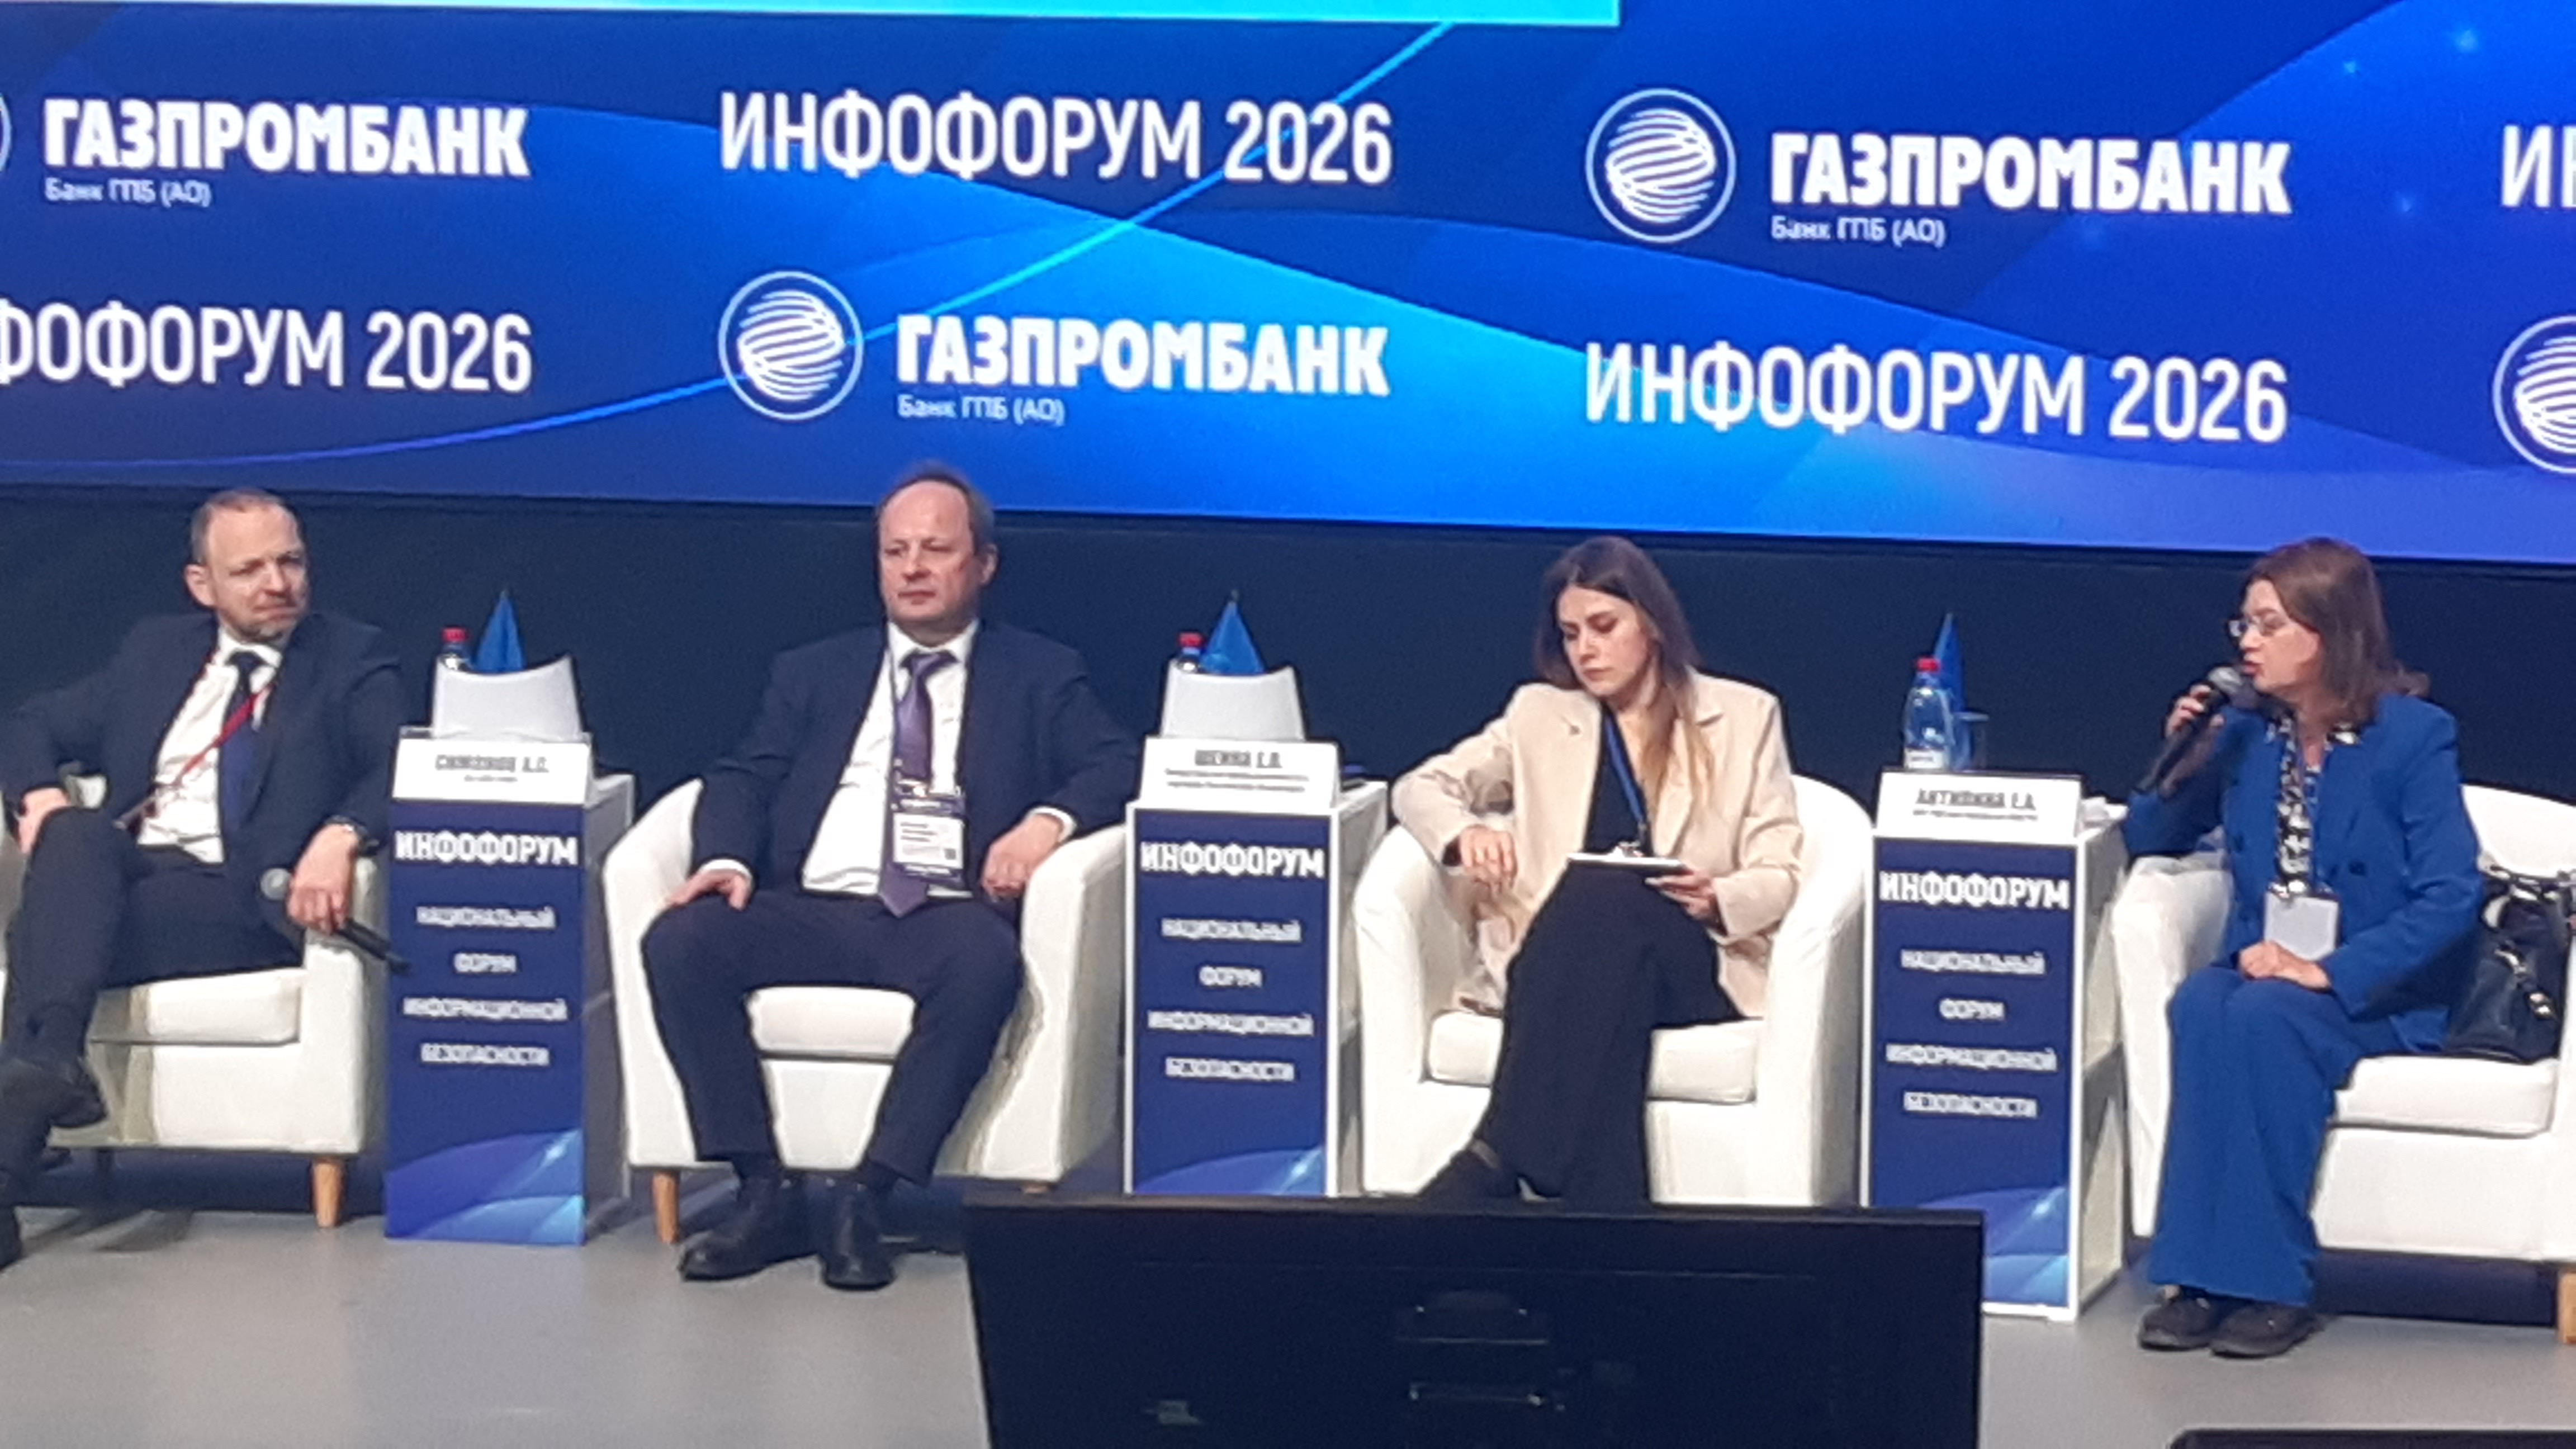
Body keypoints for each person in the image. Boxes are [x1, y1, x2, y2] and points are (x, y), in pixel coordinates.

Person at [643, 464, 1138, 1292]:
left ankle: (867, 1195)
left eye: (935, 550)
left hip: (940, 912)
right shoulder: (814, 670)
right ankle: (762, 1188)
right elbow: (742, 775)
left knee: (983, 962)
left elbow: (1115, 762)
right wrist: (726, 861)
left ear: (983, 564)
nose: (912, 569)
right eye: (895, 551)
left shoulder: (1039, 673)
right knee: (682, 940)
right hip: (812, 902)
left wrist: (1045, 824)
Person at [0, 489, 405, 1271]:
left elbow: (397, 763)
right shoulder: (156, 652)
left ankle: (28, 1110)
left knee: (50, 928)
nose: (277, 583)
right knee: (75, 837)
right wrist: (40, 797)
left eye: (290, 562)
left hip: (241, 895)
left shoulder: (351, 659)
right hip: (130, 873)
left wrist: (343, 833)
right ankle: (49, 1067)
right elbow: (28, 725)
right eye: (249, 570)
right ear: (202, 585)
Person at [2128, 538, 2480, 1359]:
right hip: (2266, 971)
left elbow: (2451, 894)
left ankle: (2269, 1285)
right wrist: (2185, 760)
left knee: (2264, 1018)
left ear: (2328, 633)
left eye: (2268, 625)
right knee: (2203, 1002)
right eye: (2244, 625)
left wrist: (2328, 970)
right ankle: (2195, 1279)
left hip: (2377, 988)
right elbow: (2149, 836)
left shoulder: (2412, 737)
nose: (2247, 643)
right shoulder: (2250, 734)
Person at [1397, 536, 1802, 1207]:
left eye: (1603, 627)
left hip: (1691, 957)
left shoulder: (1742, 716)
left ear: (1651, 623)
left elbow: (1780, 870)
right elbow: (1420, 787)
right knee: (1607, 959)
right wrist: (1464, 832)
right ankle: (1609, 1227)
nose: (1585, 649)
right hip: (1570, 967)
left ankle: (1496, 1152)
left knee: (1607, 891)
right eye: (1571, 633)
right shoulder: (1539, 714)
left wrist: (1718, 897)